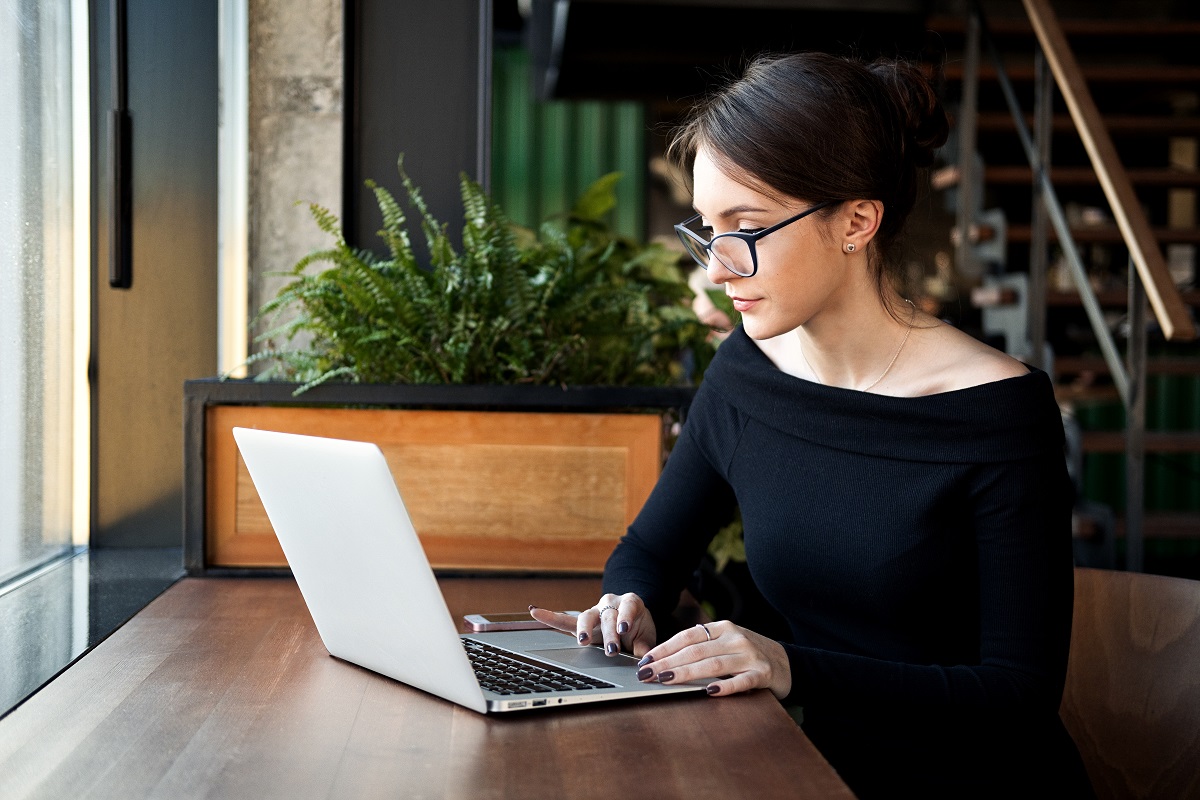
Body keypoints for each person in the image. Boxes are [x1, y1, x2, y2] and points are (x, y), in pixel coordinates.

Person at [530, 51, 1094, 798]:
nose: (716, 270)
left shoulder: (997, 414)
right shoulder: (747, 369)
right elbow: (651, 550)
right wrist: (626, 603)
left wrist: (791, 665)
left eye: (748, 228)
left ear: (857, 221)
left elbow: (1016, 694)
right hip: (807, 772)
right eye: (707, 228)